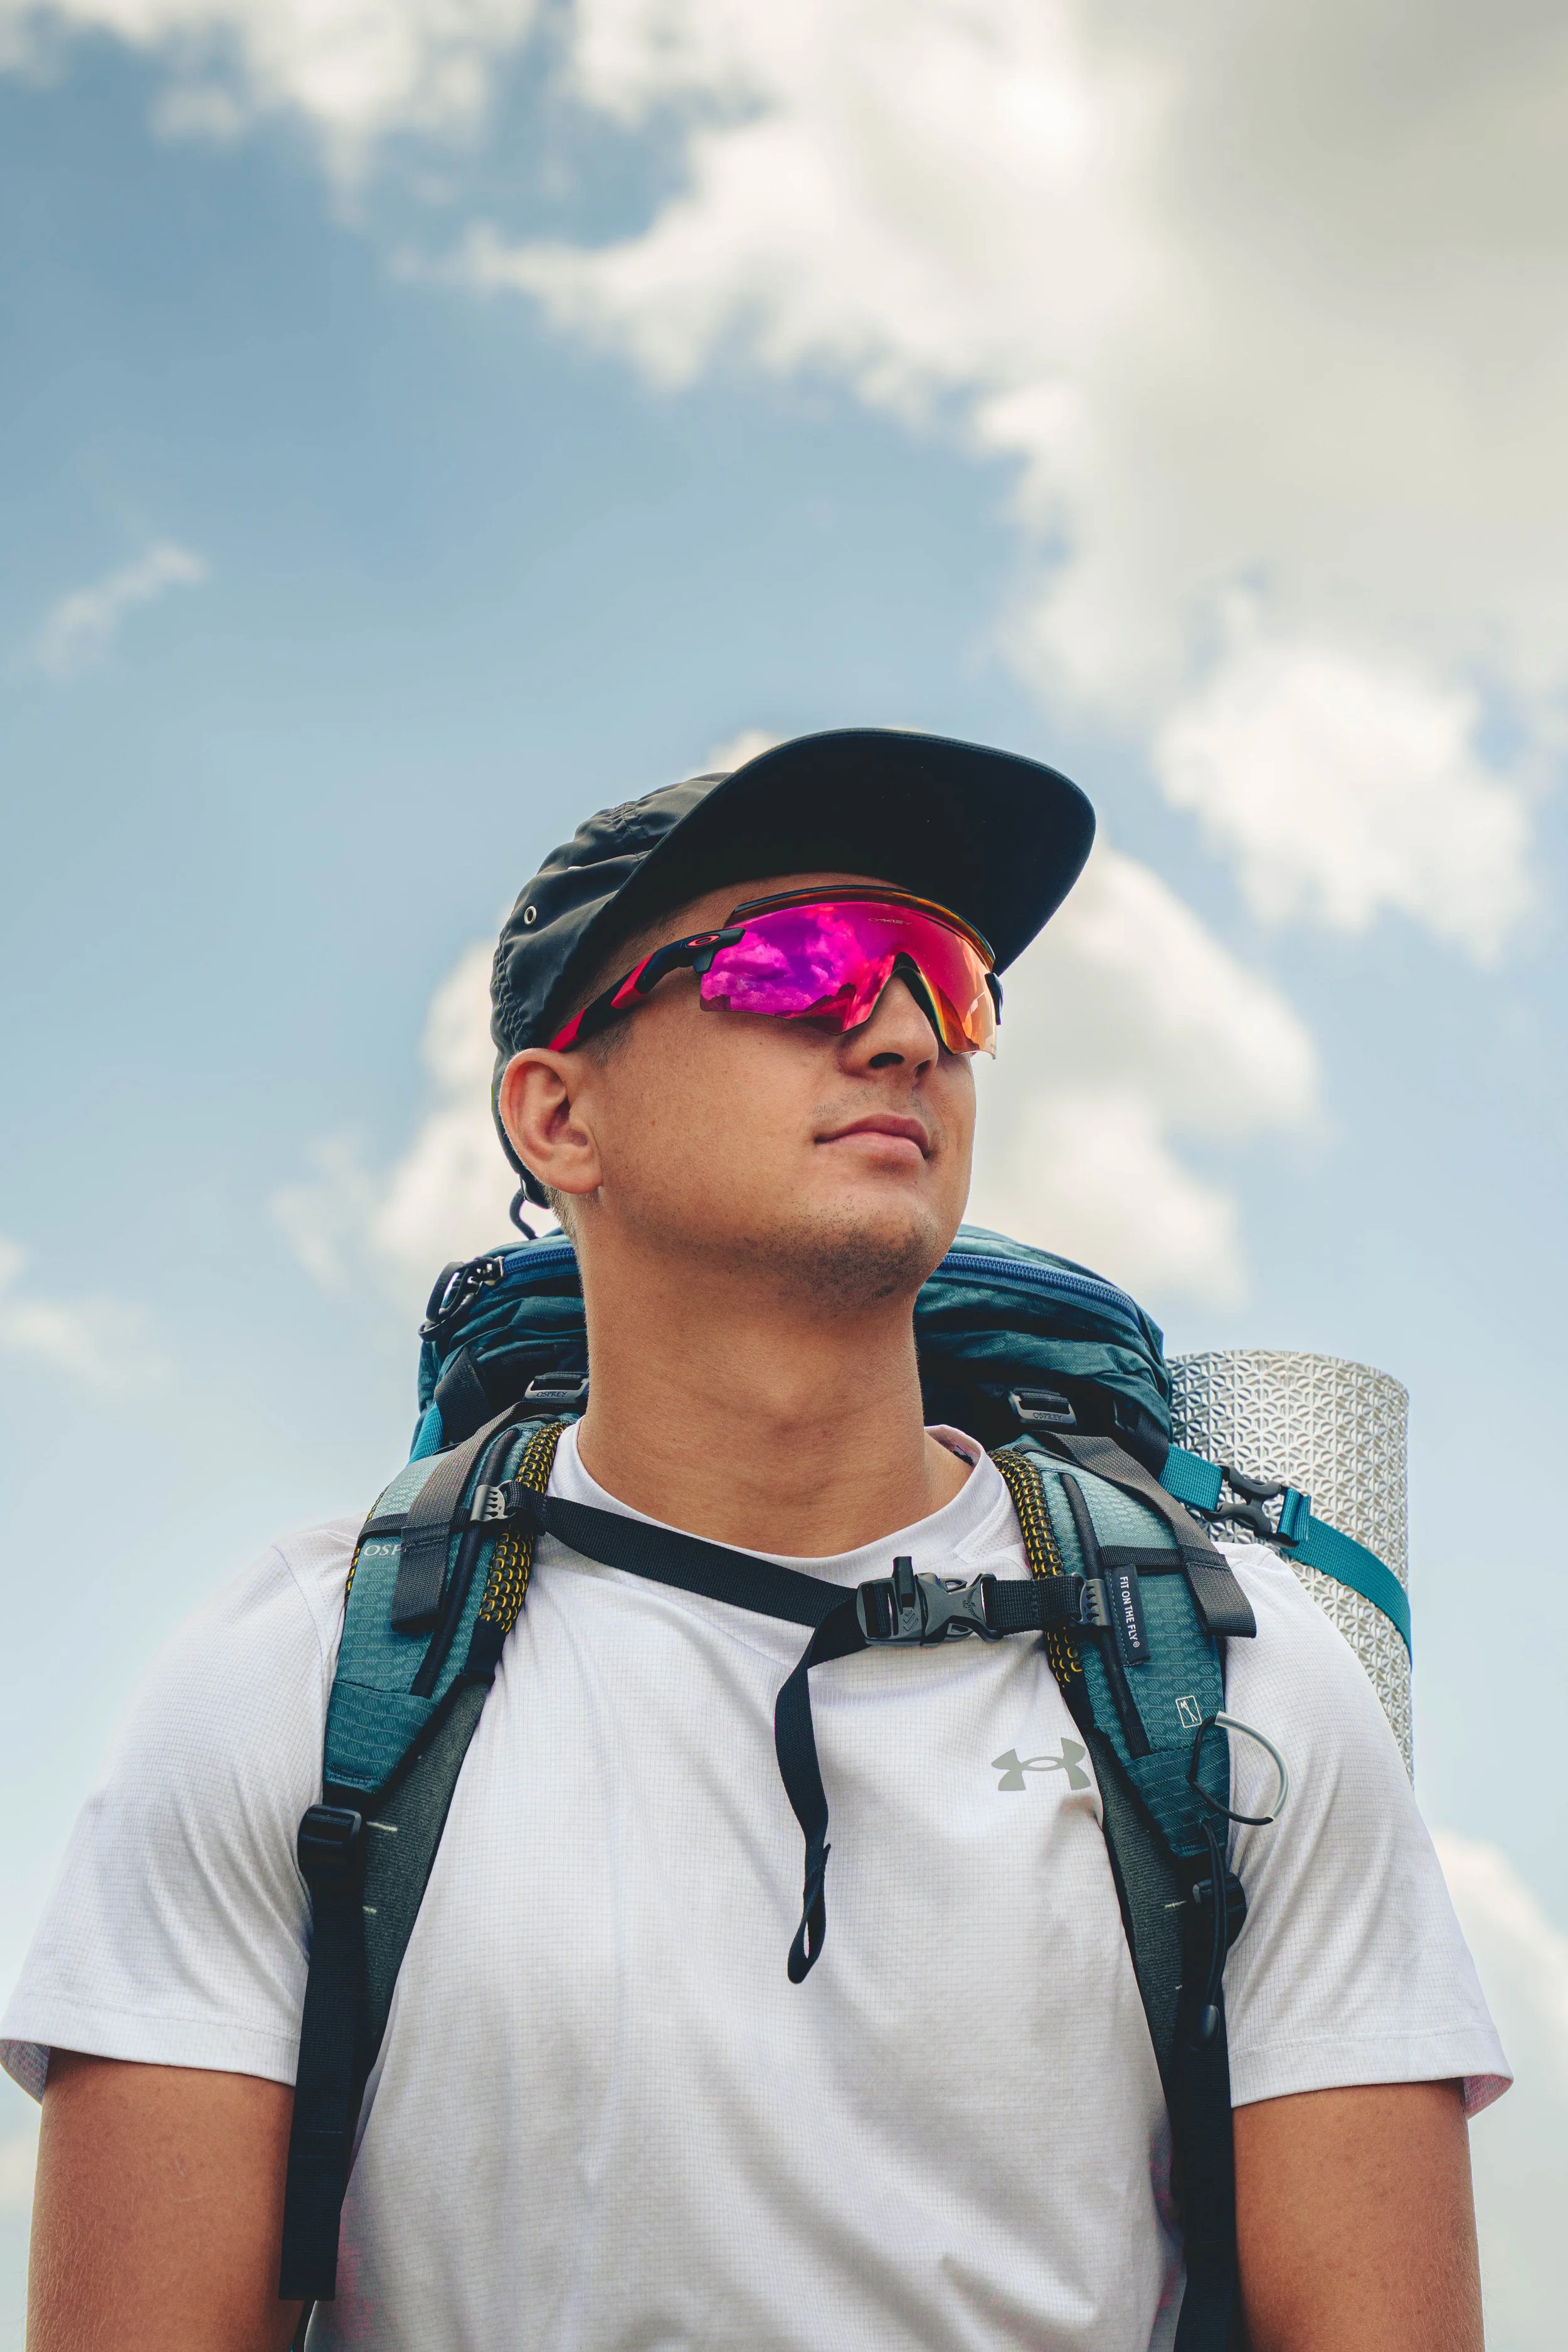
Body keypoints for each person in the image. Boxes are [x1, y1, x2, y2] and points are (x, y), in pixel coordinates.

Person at [6, 729, 1506, 2351]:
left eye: (950, 980)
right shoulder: (299, 1680)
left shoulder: (1234, 1681)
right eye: (798, 965)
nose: (900, 1029)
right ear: (557, 1112)